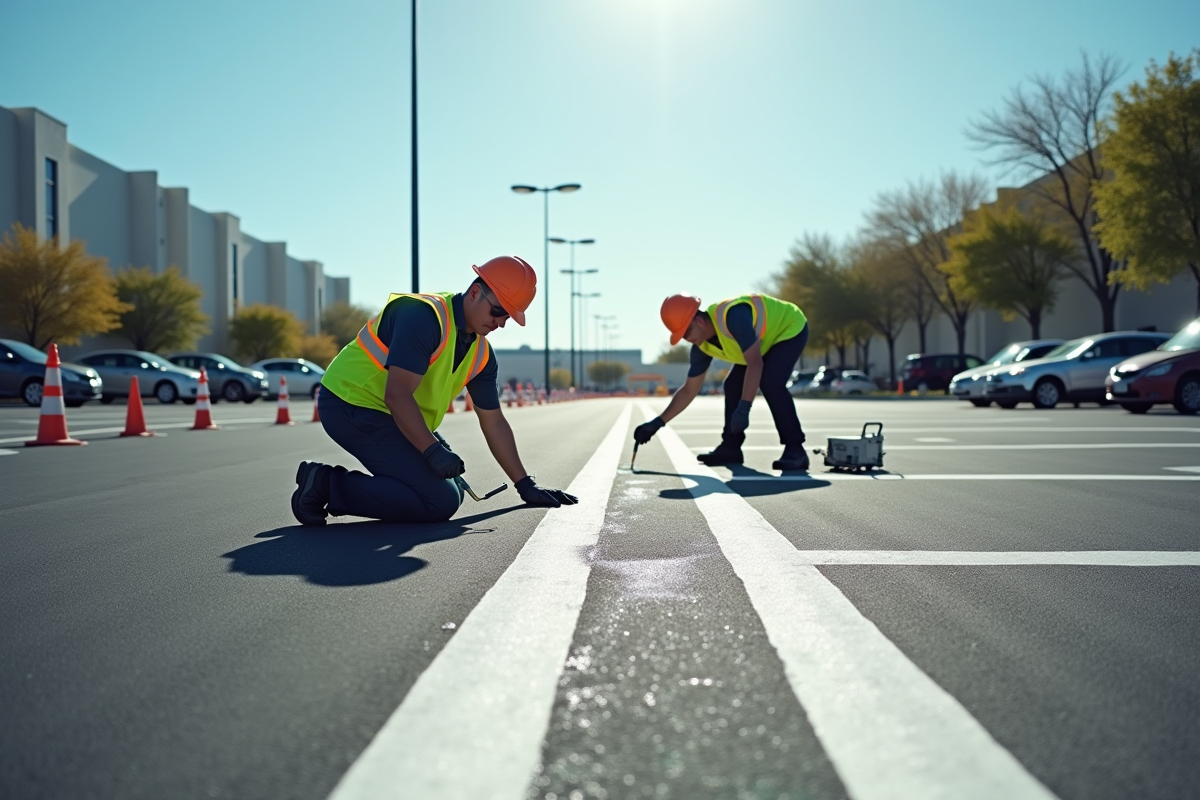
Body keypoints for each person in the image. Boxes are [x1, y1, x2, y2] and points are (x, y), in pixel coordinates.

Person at [291, 255, 577, 526]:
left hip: (390, 414)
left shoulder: (481, 355)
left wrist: (524, 485)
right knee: (439, 501)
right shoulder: (424, 317)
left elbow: (493, 421)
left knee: (452, 491)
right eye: (499, 310)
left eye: (509, 317)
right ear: (476, 292)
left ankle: (331, 485)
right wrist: (432, 450)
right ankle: (324, 484)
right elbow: (397, 395)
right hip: (351, 404)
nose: (501, 322)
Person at [634, 292, 811, 471]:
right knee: (732, 385)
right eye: (682, 336)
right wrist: (657, 423)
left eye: (687, 331)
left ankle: (796, 450)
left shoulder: (733, 317)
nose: (687, 339)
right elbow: (689, 390)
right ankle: (731, 448)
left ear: (699, 320)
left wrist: (744, 408)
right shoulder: (701, 347)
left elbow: (755, 364)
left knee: (771, 383)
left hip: (787, 328)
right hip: (761, 343)